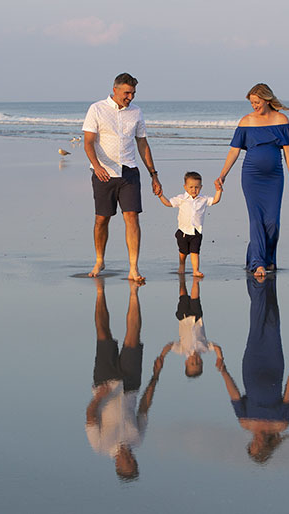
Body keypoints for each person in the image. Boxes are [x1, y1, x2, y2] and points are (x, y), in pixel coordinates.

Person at [85, 278, 170, 480]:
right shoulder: (137, 439)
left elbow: (90, 417)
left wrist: (98, 398)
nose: (132, 459)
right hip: (131, 385)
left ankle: (100, 292)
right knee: (133, 336)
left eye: (129, 463)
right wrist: (155, 376)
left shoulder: (101, 446)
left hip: (105, 384)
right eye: (134, 462)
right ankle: (134, 293)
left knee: (103, 333)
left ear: (118, 465)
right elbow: (143, 408)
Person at [82, 72, 162, 282]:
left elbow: (142, 143)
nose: (130, 97)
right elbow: (88, 142)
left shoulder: (136, 112)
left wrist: (154, 175)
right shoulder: (97, 109)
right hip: (104, 173)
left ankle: (134, 268)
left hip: (129, 171)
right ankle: (100, 259)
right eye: (127, 93)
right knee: (102, 219)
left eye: (133, 93)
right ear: (115, 89)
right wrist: (97, 166)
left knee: (132, 216)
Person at [213, 275, 289, 464]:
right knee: (273, 323)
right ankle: (268, 282)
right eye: (254, 445)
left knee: (257, 321)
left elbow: (235, 395)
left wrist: (224, 371)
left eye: (251, 444)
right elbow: (288, 396)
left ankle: (258, 283)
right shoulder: (280, 424)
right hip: (274, 363)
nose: (253, 441)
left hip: (252, 365)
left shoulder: (245, 422)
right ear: (263, 448)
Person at [215, 83, 289, 277]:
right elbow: (234, 150)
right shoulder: (246, 122)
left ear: (267, 100)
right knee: (256, 220)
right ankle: (258, 263)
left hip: (274, 178)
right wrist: (222, 174)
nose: (254, 106)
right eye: (252, 102)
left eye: (257, 102)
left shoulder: (281, 119)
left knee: (272, 222)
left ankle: (266, 259)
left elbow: (288, 151)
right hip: (251, 177)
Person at [157, 171, 222, 277]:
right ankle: (181, 265)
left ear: (201, 187)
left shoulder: (203, 199)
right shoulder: (181, 199)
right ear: (185, 187)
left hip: (196, 231)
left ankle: (195, 270)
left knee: (195, 251)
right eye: (191, 187)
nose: (194, 190)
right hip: (183, 231)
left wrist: (219, 191)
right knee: (183, 252)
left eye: (197, 187)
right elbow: (168, 203)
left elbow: (215, 200)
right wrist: (160, 195)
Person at [159, 274, 216, 378]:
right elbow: (217, 347)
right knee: (195, 299)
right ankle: (195, 280)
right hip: (196, 317)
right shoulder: (204, 348)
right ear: (202, 362)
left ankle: (182, 278)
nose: (195, 361)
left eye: (192, 363)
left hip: (183, 317)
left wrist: (162, 356)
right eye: (198, 363)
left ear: (186, 362)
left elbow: (170, 345)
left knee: (183, 296)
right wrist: (220, 357)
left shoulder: (182, 350)